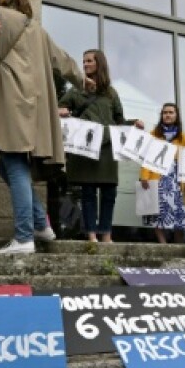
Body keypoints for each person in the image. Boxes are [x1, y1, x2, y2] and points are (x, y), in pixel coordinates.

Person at [0, 0, 81, 255]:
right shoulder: (37, 29)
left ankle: (24, 237)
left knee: (12, 161)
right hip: (33, 104)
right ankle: (40, 224)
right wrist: (84, 81)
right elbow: (63, 60)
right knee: (7, 165)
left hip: (11, 99)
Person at [58, 50, 136, 243]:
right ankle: (91, 234)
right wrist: (64, 112)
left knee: (109, 192)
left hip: (108, 147)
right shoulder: (76, 90)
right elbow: (59, 108)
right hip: (85, 148)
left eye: (89, 61)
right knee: (88, 192)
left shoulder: (111, 93)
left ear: (99, 64)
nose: (85, 64)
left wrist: (134, 123)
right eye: (83, 61)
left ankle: (106, 233)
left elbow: (120, 120)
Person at [140, 102, 185, 243]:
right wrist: (144, 176)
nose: (167, 115)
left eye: (171, 112)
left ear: (176, 115)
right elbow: (147, 157)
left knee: (178, 213)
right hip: (157, 176)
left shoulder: (182, 136)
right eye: (165, 113)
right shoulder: (154, 134)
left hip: (176, 178)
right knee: (157, 211)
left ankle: (178, 245)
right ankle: (163, 244)